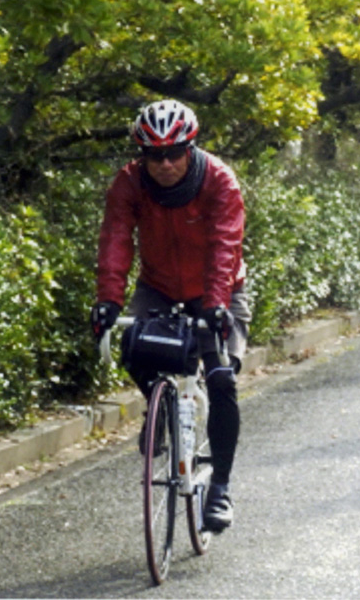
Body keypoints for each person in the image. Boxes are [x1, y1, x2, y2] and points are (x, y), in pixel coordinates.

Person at [91, 100, 250, 532]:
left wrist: (217, 303)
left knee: (221, 379)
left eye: (173, 152)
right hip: (159, 286)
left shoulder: (219, 180)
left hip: (220, 289)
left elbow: (224, 244)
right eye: (153, 155)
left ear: (190, 147)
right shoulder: (129, 183)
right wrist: (109, 299)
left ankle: (220, 487)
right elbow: (116, 238)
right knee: (136, 350)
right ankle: (158, 409)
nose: (164, 163)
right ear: (141, 155)